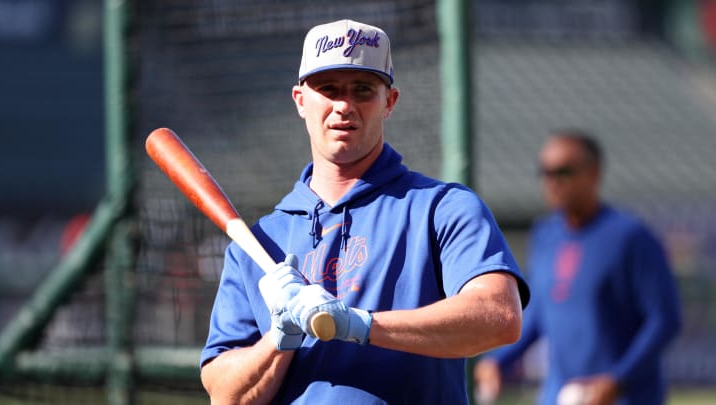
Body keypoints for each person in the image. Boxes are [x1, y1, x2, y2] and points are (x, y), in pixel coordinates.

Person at [199, 19, 530, 404]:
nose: (344, 105)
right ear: (300, 100)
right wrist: (279, 337)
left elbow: (498, 317)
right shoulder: (258, 241)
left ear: (389, 102)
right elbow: (226, 395)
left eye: (362, 90)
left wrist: (356, 324)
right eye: (328, 89)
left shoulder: (442, 208)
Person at [474, 130, 682, 405]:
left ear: (594, 173)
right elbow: (538, 315)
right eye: (545, 173)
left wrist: (618, 380)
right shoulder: (545, 235)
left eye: (563, 172)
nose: (553, 182)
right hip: (558, 396)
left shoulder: (630, 237)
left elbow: (664, 320)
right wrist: (498, 362)